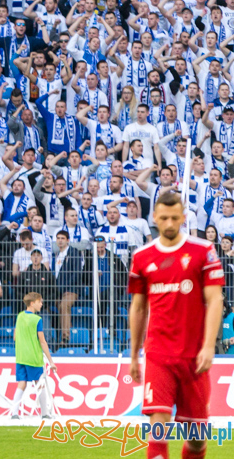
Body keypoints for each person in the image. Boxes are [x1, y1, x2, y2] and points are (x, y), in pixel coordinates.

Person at [128, 191, 225, 458]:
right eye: (164, 218)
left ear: (183, 217)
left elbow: (215, 299)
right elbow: (138, 307)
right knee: (158, 427)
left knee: (196, 440)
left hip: (194, 356)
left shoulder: (203, 250)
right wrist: (135, 354)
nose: (169, 224)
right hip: (158, 352)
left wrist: (208, 346)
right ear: (155, 219)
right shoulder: (142, 257)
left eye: (174, 218)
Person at [9, 290, 54, 419]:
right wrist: (51, 361)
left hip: (21, 356)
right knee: (40, 383)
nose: (41, 304)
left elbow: (15, 337)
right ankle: (45, 413)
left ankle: (14, 413)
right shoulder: (37, 319)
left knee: (22, 383)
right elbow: (42, 341)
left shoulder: (20, 316)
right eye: (40, 302)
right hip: (33, 357)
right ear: (32, 303)